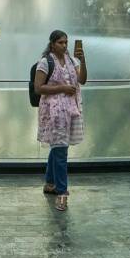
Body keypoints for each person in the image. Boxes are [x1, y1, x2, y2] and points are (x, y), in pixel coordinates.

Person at [34, 30, 87, 212]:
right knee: (61, 151)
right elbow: (38, 88)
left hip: (70, 111)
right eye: (60, 43)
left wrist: (83, 60)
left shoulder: (72, 61)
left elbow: (83, 80)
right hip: (54, 114)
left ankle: (50, 183)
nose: (64, 46)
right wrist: (62, 88)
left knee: (58, 147)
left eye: (66, 42)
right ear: (52, 44)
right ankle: (62, 193)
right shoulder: (45, 62)